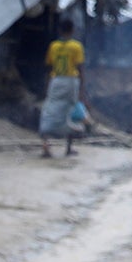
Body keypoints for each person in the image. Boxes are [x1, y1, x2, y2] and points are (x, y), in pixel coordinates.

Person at [38, 14, 84, 158]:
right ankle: (68, 148)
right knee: (69, 111)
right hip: (70, 81)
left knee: (49, 109)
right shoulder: (76, 46)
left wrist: (47, 86)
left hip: (56, 80)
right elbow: (80, 68)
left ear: (60, 30)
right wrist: (82, 88)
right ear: (73, 30)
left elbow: (48, 67)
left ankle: (46, 145)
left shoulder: (54, 46)